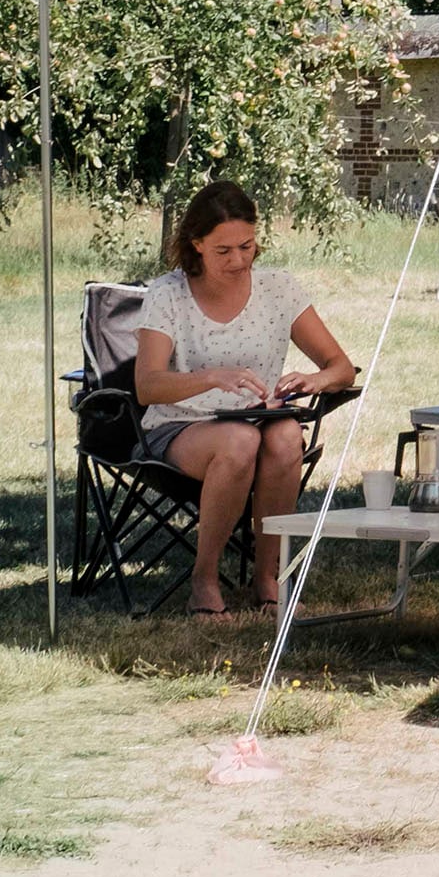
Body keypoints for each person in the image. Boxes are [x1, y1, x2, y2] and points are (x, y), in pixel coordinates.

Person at [132, 180, 356, 617]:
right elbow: (148, 386)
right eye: (223, 251)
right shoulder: (168, 294)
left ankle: (268, 577)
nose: (238, 260)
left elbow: (341, 367)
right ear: (196, 244)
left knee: (287, 436)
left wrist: (314, 380)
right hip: (182, 426)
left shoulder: (278, 288)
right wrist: (210, 377)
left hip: (259, 419)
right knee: (239, 442)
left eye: (247, 246)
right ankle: (204, 579)